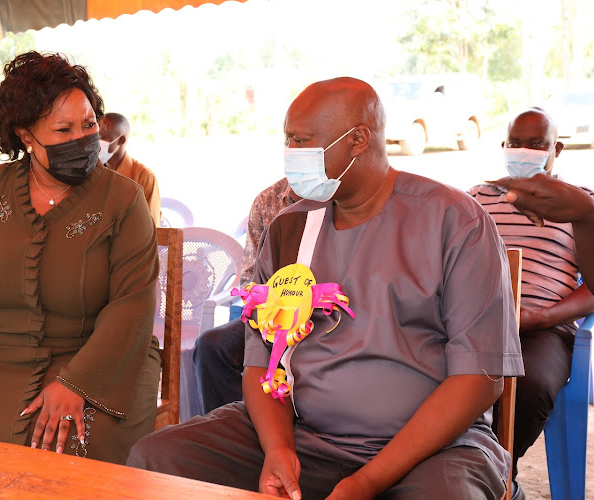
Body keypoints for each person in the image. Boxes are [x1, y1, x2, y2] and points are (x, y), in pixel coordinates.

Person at [128, 77, 523, 500]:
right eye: (287, 141)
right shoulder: (291, 228)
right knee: (159, 460)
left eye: (302, 142)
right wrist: (278, 450)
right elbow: (261, 364)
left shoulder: (454, 220)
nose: (290, 156)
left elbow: (480, 378)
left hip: (435, 449)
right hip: (306, 435)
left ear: (357, 140)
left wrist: (366, 482)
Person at [0, 52, 161, 466]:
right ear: (25, 136)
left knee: (63, 456)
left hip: (101, 359)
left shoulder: (125, 200)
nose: (83, 138)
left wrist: (77, 383)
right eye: (63, 128)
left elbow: (135, 304)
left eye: (89, 124)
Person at [468, 108, 594, 495]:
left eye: (536, 144)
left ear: (555, 149)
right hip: (476, 320)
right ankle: (468, 466)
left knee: (533, 381)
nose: (523, 151)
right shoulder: (475, 199)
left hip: (543, 328)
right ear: (503, 147)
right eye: (515, 143)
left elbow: (593, 286)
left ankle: (499, 472)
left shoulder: (581, 205)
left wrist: (541, 317)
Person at [193, 178, 299, 414]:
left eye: (301, 140)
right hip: (271, 315)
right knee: (212, 346)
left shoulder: (345, 199)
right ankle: (224, 432)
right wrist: (271, 311)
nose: (294, 147)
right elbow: (250, 277)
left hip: (324, 317)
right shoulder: (269, 201)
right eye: (290, 140)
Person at [491, 174, 594, 292]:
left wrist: (587, 214)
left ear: (556, 153)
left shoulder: (583, 200)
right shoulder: (476, 195)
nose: (524, 157)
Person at [98, 112, 161, 225]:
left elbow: (151, 226)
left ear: (121, 140)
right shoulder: (94, 172)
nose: (97, 143)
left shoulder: (144, 176)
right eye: (96, 137)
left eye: (103, 138)